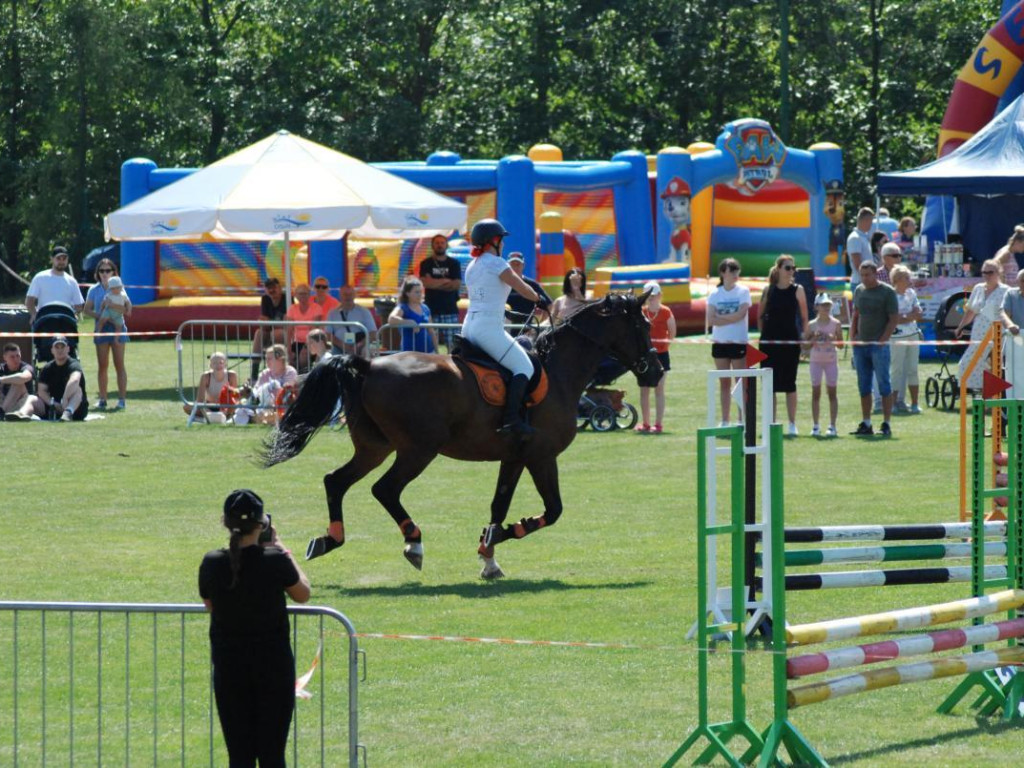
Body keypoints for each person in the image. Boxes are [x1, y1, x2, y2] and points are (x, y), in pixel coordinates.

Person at [199, 489, 310, 768]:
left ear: (225, 521)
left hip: (230, 669)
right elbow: (303, 593)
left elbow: (211, 605)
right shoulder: (274, 560)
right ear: (262, 524)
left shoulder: (211, 562)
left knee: (240, 756)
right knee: (273, 756)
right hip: (273, 669)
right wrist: (281, 547)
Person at [461, 218, 540, 436]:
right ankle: (511, 420)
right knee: (525, 367)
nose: (503, 244)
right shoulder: (497, 263)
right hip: (488, 329)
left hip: (468, 327)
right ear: (493, 241)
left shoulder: (471, 266)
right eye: (501, 240)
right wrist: (538, 298)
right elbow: (521, 287)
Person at [758, 254, 808, 436]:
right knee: (769, 385)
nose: (791, 271)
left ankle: (792, 424)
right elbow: (760, 315)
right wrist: (765, 336)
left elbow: (804, 317)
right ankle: (770, 424)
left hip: (790, 341)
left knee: (789, 383)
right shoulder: (768, 290)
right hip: (769, 343)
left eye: (793, 268)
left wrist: (804, 339)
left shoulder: (798, 289)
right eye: (787, 268)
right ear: (778, 268)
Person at [850, 262, 899, 437]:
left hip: (879, 347)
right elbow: (856, 314)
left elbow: (893, 319)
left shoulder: (887, 292)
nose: (864, 278)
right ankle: (866, 422)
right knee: (863, 386)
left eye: (867, 275)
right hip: (861, 346)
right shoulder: (859, 291)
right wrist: (853, 337)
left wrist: (882, 340)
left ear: (875, 274)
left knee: (884, 384)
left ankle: (886, 423)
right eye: (862, 275)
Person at [705, 257, 750, 426]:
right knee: (724, 381)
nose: (735, 274)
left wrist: (721, 318)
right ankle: (725, 420)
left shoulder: (743, 292)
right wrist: (731, 318)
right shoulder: (715, 294)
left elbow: (741, 314)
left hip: (738, 341)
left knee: (740, 381)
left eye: (737, 270)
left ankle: (742, 418)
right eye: (732, 270)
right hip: (720, 342)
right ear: (723, 273)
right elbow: (711, 320)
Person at [956, 258, 1009, 393]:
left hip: (997, 335)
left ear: (999, 272)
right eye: (984, 272)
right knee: (968, 364)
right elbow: (971, 311)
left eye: (990, 272)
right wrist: (960, 327)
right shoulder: (978, 288)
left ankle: (991, 396)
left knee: (991, 367)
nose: (986, 275)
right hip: (978, 335)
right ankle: (985, 393)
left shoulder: (1006, 291)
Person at [83, 259, 130, 410]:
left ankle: (122, 400)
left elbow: (127, 310)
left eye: (108, 270)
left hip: (118, 327)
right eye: (101, 271)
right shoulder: (93, 290)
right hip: (101, 329)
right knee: (102, 365)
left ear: (113, 272)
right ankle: (103, 399)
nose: (105, 273)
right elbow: (86, 309)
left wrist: (111, 308)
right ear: (98, 273)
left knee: (119, 364)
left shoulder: (120, 290)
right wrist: (101, 316)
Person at [636, 281, 676, 434]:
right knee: (644, 389)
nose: (651, 298)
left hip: (661, 355)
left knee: (659, 389)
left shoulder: (666, 312)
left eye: (653, 295)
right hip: (644, 356)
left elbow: (672, 333)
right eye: (648, 296)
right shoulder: (641, 311)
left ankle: (658, 424)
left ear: (660, 295)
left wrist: (664, 346)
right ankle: (645, 423)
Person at [803, 293, 842, 437]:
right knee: (816, 392)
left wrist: (833, 338)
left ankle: (832, 426)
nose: (826, 308)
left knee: (832, 392)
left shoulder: (836, 323)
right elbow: (805, 346)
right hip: (816, 361)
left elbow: (842, 345)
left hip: (831, 360)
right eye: (823, 305)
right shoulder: (812, 325)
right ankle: (816, 425)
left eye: (828, 305)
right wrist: (814, 337)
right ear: (817, 307)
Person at [417, 234, 461, 350]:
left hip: (450, 310)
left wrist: (434, 283)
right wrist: (445, 281)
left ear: (446, 245)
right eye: (437, 243)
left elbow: (456, 285)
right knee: (430, 345)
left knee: (453, 347)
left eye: (442, 243)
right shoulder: (426, 263)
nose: (440, 245)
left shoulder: (454, 263)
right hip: (431, 310)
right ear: (432, 245)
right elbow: (425, 283)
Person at [890, 265, 924, 414]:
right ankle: (892, 404)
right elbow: (894, 318)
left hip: (913, 335)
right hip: (897, 337)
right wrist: (909, 317)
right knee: (896, 370)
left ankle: (915, 404)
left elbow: (919, 312)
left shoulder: (911, 293)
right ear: (897, 280)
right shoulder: (890, 296)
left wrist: (906, 317)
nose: (909, 281)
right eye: (906, 278)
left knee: (913, 369)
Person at [25, 245, 85, 326]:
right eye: (58, 258)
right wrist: (34, 314)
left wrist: (74, 314)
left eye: (64, 259)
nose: (61, 261)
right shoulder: (40, 277)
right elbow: (29, 301)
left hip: (65, 323)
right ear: (52, 259)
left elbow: (79, 305)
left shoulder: (72, 282)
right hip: (44, 322)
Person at [36, 335, 88, 421]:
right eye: (57, 347)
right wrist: (53, 404)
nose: (60, 350)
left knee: (78, 390)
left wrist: (65, 399)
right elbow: (41, 391)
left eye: (62, 347)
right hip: (54, 407)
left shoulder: (74, 365)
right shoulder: (47, 368)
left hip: (75, 408)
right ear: (52, 350)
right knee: (32, 399)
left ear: (68, 349)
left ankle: (68, 413)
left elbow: (74, 380)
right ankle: (22, 414)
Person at [251, 277, 289, 383]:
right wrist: (271, 323)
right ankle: (254, 374)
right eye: (269, 288)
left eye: (274, 287)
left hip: (287, 334)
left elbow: (287, 322)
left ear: (280, 288)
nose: (272, 291)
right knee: (259, 333)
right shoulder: (265, 299)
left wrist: (270, 322)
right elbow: (264, 322)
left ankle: (277, 372)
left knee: (276, 334)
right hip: (271, 331)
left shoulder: (288, 298)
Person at [184, 351, 240, 423]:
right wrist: (207, 412)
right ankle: (211, 417)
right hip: (209, 406)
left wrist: (225, 410)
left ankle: (221, 417)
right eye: (214, 363)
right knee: (187, 407)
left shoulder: (231, 375)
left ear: (225, 364)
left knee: (239, 406)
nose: (218, 365)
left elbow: (235, 397)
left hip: (226, 407)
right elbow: (200, 400)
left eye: (221, 363)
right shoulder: (205, 376)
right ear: (210, 365)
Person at [250, 344, 299, 424]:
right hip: (265, 405)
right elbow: (257, 391)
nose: (266, 361)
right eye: (266, 358)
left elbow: (288, 392)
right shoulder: (265, 373)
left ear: (280, 359)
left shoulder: (290, 372)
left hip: (283, 405)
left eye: (269, 359)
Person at [389, 276, 438, 353]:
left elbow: (431, 331)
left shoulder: (425, 308)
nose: (419, 294)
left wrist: (437, 351)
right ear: (407, 293)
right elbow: (391, 319)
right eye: (416, 292)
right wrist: (410, 322)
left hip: (428, 352)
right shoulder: (403, 307)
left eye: (420, 292)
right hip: (409, 353)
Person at [326, 284, 377, 357]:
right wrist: (342, 345)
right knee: (330, 355)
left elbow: (373, 333)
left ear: (354, 295)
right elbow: (328, 334)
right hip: (338, 347)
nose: (348, 297)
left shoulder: (364, 312)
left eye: (350, 294)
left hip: (360, 346)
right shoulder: (332, 313)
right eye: (345, 294)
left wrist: (359, 345)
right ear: (340, 296)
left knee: (366, 352)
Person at [284, 283, 325, 372]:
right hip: (297, 342)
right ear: (296, 295)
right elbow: (289, 330)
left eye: (305, 293)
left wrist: (306, 346)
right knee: (289, 359)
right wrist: (288, 349)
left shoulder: (316, 308)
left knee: (303, 356)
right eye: (300, 293)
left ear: (309, 294)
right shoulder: (292, 309)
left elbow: (313, 329)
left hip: (314, 341)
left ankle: (303, 379)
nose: (303, 296)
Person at [504, 252, 552, 325]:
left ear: (523, 266)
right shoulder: (501, 283)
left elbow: (549, 305)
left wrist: (538, 327)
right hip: (503, 329)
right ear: (507, 266)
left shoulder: (532, 285)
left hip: (526, 330)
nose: (515, 267)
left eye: (518, 264)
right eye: (512, 264)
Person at [999, 268, 1024, 399]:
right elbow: (1003, 313)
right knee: (1012, 377)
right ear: (1017, 282)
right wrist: (1010, 325)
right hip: (1015, 343)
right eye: (1022, 281)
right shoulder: (1011, 294)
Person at [1, 343, 41, 421]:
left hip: (24, 403)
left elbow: (24, 377)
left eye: (18, 356)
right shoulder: (1, 368)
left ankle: (2, 413)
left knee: (18, 383)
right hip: (6, 403)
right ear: (5, 358)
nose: (16, 359)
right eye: (12, 357)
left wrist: (1, 379)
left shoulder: (26, 367)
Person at [845, 208, 875, 290]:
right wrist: (869, 278)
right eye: (871, 222)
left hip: (865, 282)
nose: (871, 225)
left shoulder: (862, 237)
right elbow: (857, 264)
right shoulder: (855, 238)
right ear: (866, 220)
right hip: (860, 283)